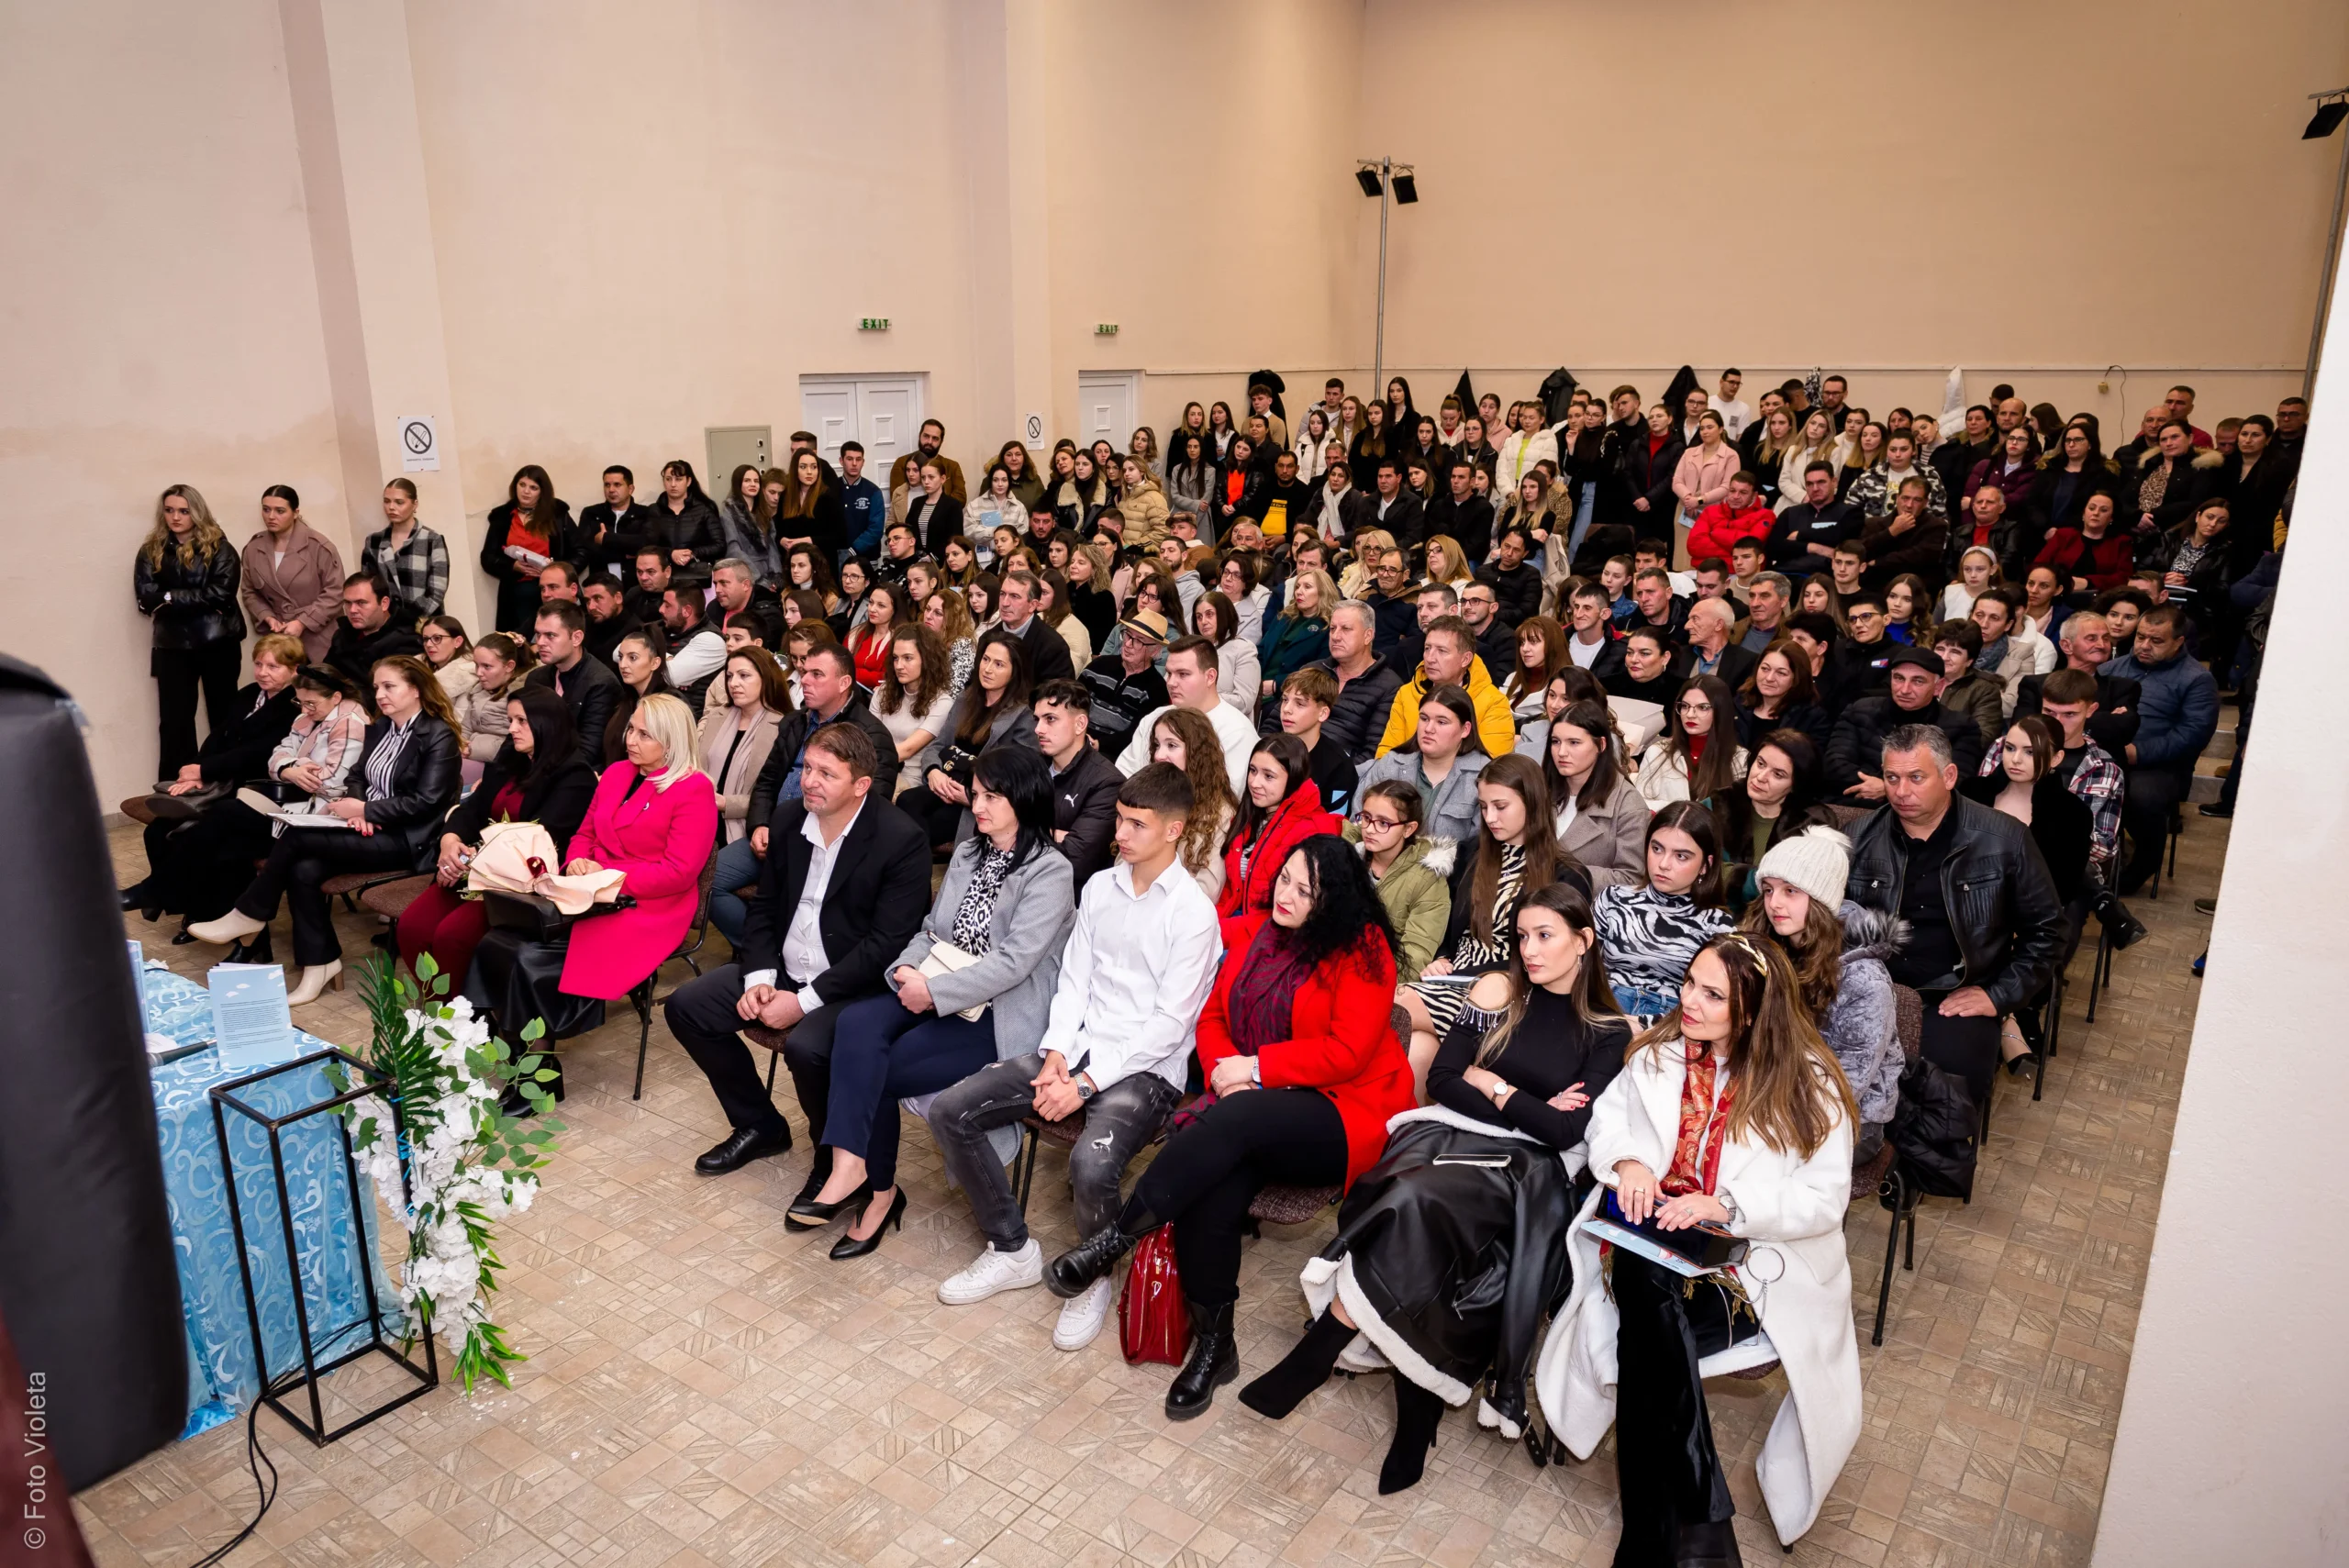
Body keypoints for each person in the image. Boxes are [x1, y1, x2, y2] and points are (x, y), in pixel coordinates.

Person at [1244, 882, 1632, 1485]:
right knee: (1414, 1192)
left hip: (1528, 1170)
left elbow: (1564, 1131)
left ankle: (1327, 1348)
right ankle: (1417, 1402)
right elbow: (1446, 1079)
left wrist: (1493, 1083)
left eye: (1545, 935)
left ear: (1583, 941)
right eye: (1522, 936)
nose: (1529, 949)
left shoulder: (1608, 1030)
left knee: (1420, 1198)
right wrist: (1521, 1103)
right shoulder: (1498, 993)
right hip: (1451, 1133)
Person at [1043, 836, 1413, 1418]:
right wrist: (1226, 1074)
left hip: (1342, 1112)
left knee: (1225, 1127)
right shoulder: (1256, 932)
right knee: (1212, 1189)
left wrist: (1255, 1069)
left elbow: (1347, 1052)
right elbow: (1212, 1016)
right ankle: (1217, 1346)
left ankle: (1116, 1237)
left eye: (1305, 891)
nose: (1287, 896)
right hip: (1249, 1110)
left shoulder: (1363, 949)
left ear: (1335, 899)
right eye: (1285, 879)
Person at [1533, 933, 1862, 1560]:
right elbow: (1608, 1120)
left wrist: (1728, 1206)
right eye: (1690, 982)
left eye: (1713, 995)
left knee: (1648, 1333)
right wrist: (1629, 1161)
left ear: (1752, 1011)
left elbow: (1825, 1198)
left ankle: (1654, 1534)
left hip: (1750, 1266)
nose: (1689, 1000)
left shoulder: (1808, 1083)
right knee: (1646, 1283)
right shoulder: (1660, 1054)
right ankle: (1701, 1527)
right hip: (1651, 1238)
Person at [927, 764, 1222, 1349]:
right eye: (1119, 819)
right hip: (1077, 1048)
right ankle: (1011, 1248)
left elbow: (1169, 1026)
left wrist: (1086, 1084)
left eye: (1137, 825)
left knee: (1091, 1162)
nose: (1121, 834)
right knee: (951, 1110)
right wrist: (1058, 1050)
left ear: (1174, 830)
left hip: (1145, 1070)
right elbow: (1074, 979)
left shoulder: (1193, 914)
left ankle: (1094, 1276)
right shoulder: (1100, 888)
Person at [794, 749, 1078, 1260]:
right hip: (935, 982)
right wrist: (904, 969)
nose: (978, 805)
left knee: (880, 1069)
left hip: (997, 1012)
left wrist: (934, 992)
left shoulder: (1050, 871)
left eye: (991, 797)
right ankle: (851, 1165)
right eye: (976, 794)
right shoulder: (969, 852)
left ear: (1024, 799)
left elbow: (1013, 964)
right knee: (855, 1024)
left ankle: (879, 1196)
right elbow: (931, 930)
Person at [662, 721, 930, 1184]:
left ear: (861, 785)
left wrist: (803, 1003)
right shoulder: (788, 819)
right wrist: (759, 977)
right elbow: (766, 907)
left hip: (851, 984)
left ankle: (832, 1161)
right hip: (784, 969)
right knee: (688, 1007)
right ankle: (760, 1125)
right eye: (807, 768)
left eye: (826, 773)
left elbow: (885, 945)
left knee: (808, 1049)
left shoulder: (901, 839)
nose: (809, 781)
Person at [188, 656, 462, 1003]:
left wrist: (365, 809)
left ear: (417, 690)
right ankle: (320, 964)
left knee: (297, 836)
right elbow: (357, 776)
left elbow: (427, 802)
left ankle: (250, 913)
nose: (379, 695)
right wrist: (359, 807)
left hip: (409, 839)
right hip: (368, 827)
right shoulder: (381, 727)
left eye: (389, 687)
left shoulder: (437, 735)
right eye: (377, 687)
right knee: (304, 869)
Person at [1847, 724, 2065, 1107]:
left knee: (1945, 1098)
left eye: (1916, 778)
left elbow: (2048, 932)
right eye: (1892, 778)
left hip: (1955, 996)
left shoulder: (2005, 838)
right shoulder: (1859, 838)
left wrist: (1998, 996)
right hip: (1872, 988)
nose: (1901, 791)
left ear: (1949, 776)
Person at [397, 684, 596, 992]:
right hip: (475, 870)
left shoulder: (574, 776)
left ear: (547, 723)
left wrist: (468, 860)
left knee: (452, 936)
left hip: (519, 885)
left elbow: (541, 840)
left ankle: (464, 1013)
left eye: (521, 721)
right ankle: (439, 1007)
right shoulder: (510, 758)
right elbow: (473, 809)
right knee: (412, 927)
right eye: (510, 720)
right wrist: (450, 841)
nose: (512, 729)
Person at [119, 633, 306, 929]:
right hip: (222, 780)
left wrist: (205, 771)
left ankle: (176, 901)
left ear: (294, 670)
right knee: (157, 831)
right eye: (259, 664)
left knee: (199, 834)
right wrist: (196, 771)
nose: (262, 672)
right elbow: (219, 735)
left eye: (273, 666)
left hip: (254, 788)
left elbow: (260, 752)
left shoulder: (296, 706)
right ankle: (183, 906)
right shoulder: (248, 694)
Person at [1744, 827, 1901, 1159]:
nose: (1774, 903)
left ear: (1820, 899)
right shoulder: (1767, 946)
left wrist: (1762, 1110)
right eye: (1769, 890)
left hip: (1849, 1120)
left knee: (1747, 1153)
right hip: (1769, 1094)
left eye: (1790, 891)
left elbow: (1847, 1084)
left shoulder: (1865, 979)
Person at [2105, 604, 2218, 895]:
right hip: (2106, 755)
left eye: (2156, 641)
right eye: (2140, 637)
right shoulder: (2112, 668)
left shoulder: (2196, 679)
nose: (2144, 646)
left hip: (2159, 765)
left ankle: (2143, 864)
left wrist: (2138, 753)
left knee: (2139, 796)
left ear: (2178, 642)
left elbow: (2193, 735)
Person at [136, 484, 248, 777]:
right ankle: (174, 789)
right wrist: (194, 599)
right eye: (169, 510)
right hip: (172, 645)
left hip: (218, 642)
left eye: (184, 511)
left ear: (197, 512)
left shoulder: (220, 548)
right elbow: (145, 600)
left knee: (224, 717)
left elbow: (221, 595)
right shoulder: (151, 550)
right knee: (174, 722)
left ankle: (225, 784)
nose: (176, 517)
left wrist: (168, 598)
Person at [1594, 800, 1734, 1016]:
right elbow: (1581, 971)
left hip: (1673, 1024)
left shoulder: (1717, 925)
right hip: (1604, 1014)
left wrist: (1646, 1025)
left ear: (1705, 865)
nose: (1663, 864)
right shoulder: (1613, 899)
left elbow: (1716, 1005)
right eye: (1657, 849)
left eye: (1681, 856)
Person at [900, 632, 1035, 852]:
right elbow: (938, 745)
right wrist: (933, 772)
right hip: (945, 784)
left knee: (912, 827)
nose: (988, 669)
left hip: (975, 799)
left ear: (1014, 672)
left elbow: (1018, 777)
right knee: (906, 802)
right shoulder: (967, 698)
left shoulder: (1023, 716)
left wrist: (974, 796)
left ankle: (916, 871)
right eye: (986, 659)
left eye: (999, 664)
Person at [1825, 644, 1987, 800]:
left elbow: (1955, 782)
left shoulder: (1962, 728)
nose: (1904, 690)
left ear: (1938, 686)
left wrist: (1887, 788)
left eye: (1918, 681)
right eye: (1899, 678)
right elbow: (1834, 763)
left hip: (1919, 810)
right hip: (1853, 800)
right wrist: (1882, 785)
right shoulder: (1859, 711)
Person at [1216, 733, 1339, 928]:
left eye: (1268, 776)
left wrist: (1220, 932)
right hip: (1233, 922)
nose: (1254, 783)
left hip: (1270, 932)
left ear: (1293, 778)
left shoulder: (1313, 830)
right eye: (1253, 771)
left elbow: (1298, 912)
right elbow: (1230, 890)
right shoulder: (1248, 816)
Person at [1115, 636, 1257, 791]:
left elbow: (1228, 797)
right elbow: (1124, 773)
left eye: (1183, 674)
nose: (1171, 683)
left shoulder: (1237, 732)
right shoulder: (1155, 717)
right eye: (1169, 673)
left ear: (1210, 677)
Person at [1536, 698, 1650, 886]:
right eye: (1556, 742)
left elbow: (1632, 878)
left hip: (1583, 902)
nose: (1561, 752)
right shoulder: (1539, 789)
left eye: (1574, 742)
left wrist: (1568, 874)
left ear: (1601, 745)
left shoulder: (1628, 805)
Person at [1028, 680, 1122, 887]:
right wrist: (1055, 834)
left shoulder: (1107, 782)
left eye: (1050, 719)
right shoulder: (1031, 765)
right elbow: (994, 827)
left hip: (1066, 893)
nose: (1038, 729)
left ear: (1080, 724)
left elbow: (1077, 860)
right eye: (1037, 719)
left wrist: (1023, 830)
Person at [239, 484, 345, 662]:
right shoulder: (254, 548)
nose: (271, 516)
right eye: (266, 510)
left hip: (320, 636)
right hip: (279, 637)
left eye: (280, 511)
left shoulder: (319, 546)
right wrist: (267, 616)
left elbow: (335, 591)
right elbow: (249, 591)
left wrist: (302, 622)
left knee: (321, 677)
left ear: (295, 513)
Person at [699, 645, 791, 847]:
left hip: (745, 829)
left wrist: (726, 803)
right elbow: (696, 766)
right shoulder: (716, 716)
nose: (734, 683)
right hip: (698, 816)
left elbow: (775, 794)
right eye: (730, 676)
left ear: (766, 678)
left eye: (744, 675)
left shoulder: (782, 727)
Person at [524, 601, 623, 773]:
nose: (540, 642)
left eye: (550, 635)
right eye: (538, 634)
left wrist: (540, 773)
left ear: (576, 638)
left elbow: (588, 750)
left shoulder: (600, 684)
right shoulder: (536, 678)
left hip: (577, 774)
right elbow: (520, 733)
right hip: (539, 768)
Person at [477, 465, 575, 633]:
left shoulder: (557, 514)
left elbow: (581, 551)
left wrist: (557, 571)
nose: (526, 491)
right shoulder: (502, 516)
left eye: (533, 488)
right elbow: (488, 558)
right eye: (522, 485)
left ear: (542, 492)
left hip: (551, 590)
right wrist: (512, 566)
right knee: (517, 639)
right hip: (516, 591)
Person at [323, 573, 425, 698]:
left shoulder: (406, 641)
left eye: (361, 603)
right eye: (348, 603)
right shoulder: (342, 635)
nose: (352, 610)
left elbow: (394, 697)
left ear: (384, 604)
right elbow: (324, 675)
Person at [454, 631, 531, 762]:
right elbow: (466, 728)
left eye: (487, 666)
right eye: (476, 665)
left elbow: (513, 744)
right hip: (469, 756)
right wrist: (459, 743)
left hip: (498, 764)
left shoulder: (520, 696)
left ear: (509, 666)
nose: (479, 673)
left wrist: (471, 749)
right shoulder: (478, 690)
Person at [650, 459, 725, 570]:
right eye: (668, 479)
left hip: (698, 572)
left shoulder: (705, 509)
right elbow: (647, 546)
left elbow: (720, 546)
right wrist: (671, 553)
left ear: (688, 481)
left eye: (678, 479)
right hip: (664, 572)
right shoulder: (655, 510)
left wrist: (693, 553)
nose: (673, 484)